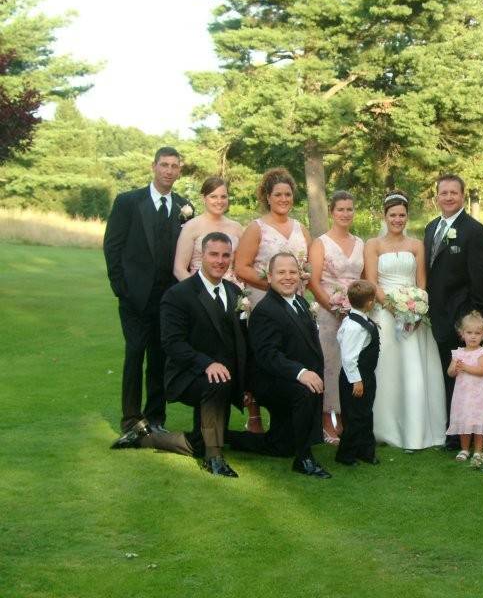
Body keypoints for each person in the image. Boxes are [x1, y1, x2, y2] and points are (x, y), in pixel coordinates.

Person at [104, 146, 191, 439]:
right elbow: (113, 246)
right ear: (153, 167)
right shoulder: (128, 202)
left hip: (169, 299)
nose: (169, 171)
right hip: (135, 297)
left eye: (174, 166)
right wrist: (121, 288)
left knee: (160, 357)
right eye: (164, 165)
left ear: (179, 171)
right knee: (135, 353)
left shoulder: (184, 206)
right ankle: (130, 419)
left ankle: (155, 418)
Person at [230, 252, 331, 478]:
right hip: (269, 380)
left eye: (293, 272)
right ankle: (304, 459)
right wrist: (302, 373)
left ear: (299, 275)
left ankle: (225, 438)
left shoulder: (301, 302)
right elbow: (267, 355)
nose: (288, 277)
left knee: (280, 445)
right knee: (304, 391)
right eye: (281, 272)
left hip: (286, 375)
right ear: (270, 276)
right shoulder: (266, 310)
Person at [158, 232, 246, 476]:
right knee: (216, 381)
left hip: (224, 376)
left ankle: (149, 438)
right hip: (187, 374)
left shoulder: (235, 293)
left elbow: (240, 341)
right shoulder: (178, 294)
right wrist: (207, 364)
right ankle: (214, 457)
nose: (220, 261)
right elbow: (172, 343)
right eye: (214, 254)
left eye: (226, 255)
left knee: (199, 440)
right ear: (201, 256)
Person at [365, 191, 447, 450]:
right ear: (385, 216)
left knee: (414, 370)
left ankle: (417, 429)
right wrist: (392, 307)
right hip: (385, 313)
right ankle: (385, 428)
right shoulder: (373, 245)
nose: (398, 219)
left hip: (414, 316)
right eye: (393, 215)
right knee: (387, 370)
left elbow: (421, 281)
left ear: (407, 216)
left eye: (402, 215)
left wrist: (416, 306)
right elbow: (371, 282)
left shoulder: (416, 245)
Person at [423, 174, 483, 448]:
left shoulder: (474, 231)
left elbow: (482, 278)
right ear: (437, 196)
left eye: (454, 192)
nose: (449, 197)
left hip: (460, 317)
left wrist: (469, 316)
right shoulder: (431, 228)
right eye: (444, 193)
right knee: (446, 374)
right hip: (437, 314)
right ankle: (451, 427)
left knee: (462, 380)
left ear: (462, 195)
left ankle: (459, 437)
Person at [307, 190, 365, 446]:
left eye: (349, 209)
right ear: (332, 212)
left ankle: (345, 418)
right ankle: (326, 421)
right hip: (329, 313)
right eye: (340, 209)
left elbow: (364, 280)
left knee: (351, 363)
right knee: (330, 365)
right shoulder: (320, 243)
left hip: (356, 314)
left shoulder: (361, 243)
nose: (345, 214)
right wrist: (333, 306)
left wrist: (357, 308)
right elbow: (313, 281)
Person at [234, 168, 310, 308]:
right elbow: (241, 268)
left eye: (288, 194)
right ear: (268, 198)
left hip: (295, 300)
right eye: (278, 195)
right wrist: (274, 286)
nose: (284, 199)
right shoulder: (256, 228)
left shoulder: (301, 229)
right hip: (264, 299)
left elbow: (309, 266)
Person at [334, 280, 381, 467]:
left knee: (365, 414)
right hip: (356, 378)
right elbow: (348, 357)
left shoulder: (354, 319)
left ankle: (365, 451)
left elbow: (340, 337)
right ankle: (346, 454)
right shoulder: (355, 326)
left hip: (365, 375)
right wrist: (357, 380)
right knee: (354, 417)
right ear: (369, 303)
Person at [173, 177, 244, 285]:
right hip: (198, 289)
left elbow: (241, 267)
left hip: (230, 289)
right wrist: (199, 291)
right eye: (213, 196)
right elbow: (179, 269)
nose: (219, 201)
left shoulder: (237, 228)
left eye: (223, 197)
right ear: (203, 198)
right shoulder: (191, 226)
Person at [446, 311, 483, 461]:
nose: (473, 336)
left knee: (478, 420)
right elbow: (450, 373)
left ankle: (478, 450)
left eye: (477, 333)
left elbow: (482, 370)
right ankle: (465, 449)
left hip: (478, 394)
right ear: (462, 334)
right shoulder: (458, 353)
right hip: (462, 394)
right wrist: (454, 369)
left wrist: (465, 367)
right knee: (464, 419)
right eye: (469, 332)